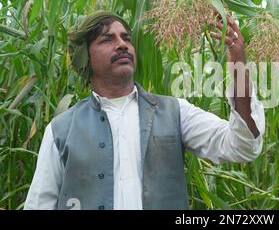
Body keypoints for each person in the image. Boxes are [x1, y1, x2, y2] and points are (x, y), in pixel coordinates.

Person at [24, 11, 265, 210]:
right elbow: (39, 205)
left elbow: (242, 146)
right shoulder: (61, 129)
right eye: (107, 39)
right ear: (84, 56)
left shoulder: (175, 112)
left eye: (126, 38)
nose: (122, 45)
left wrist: (237, 62)